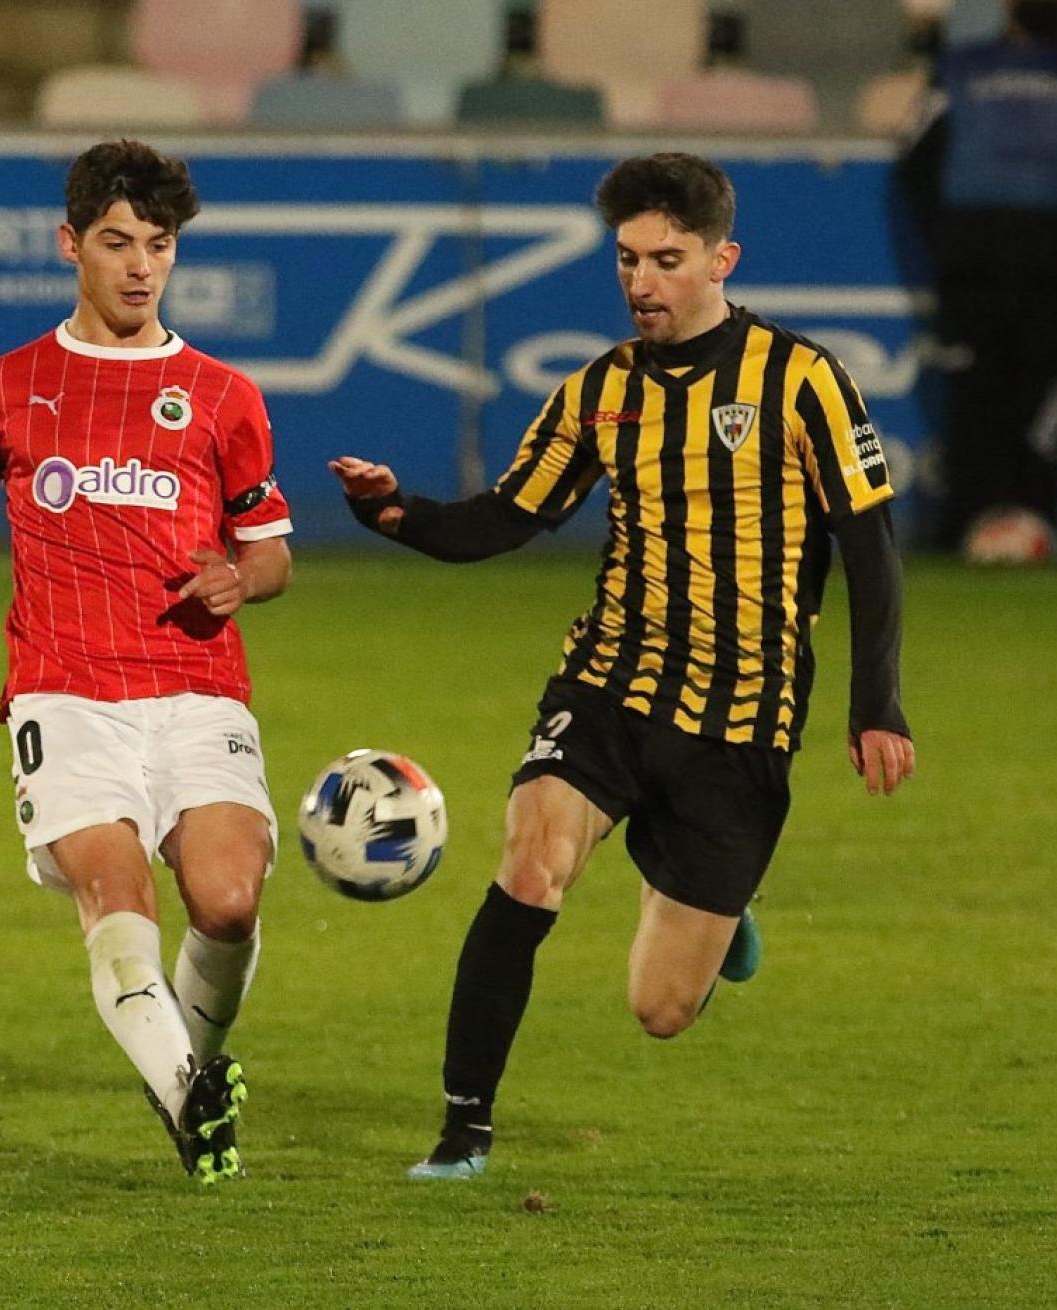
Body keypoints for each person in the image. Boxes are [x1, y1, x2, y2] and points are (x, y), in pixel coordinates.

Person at [331, 152, 915, 1179]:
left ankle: (711, 911)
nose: (643, 281)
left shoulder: (802, 381)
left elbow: (869, 544)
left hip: (741, 717)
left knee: (659, 1009)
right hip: (611, 679)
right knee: (530, 862)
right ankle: (464, 1124)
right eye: (628, 260)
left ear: (721, 259)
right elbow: (508, 515)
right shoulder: (600, 391)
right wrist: (393, 511)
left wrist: (878, 704)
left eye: (667, 260)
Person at [0, 140, 293, 1185]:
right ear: (70, 242)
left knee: (228, 901)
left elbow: (272, 551)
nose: (139, 266)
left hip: (199, 686)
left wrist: (239, 582)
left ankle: (189, 1071)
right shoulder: (8, 386)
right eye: (117, 242)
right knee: (116, 891)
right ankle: (187, 1097)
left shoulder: (220, 395)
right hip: (65, 691)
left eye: (158, 246)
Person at [897, 0, 1057, 562]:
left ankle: (964, 533)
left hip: (977, 267)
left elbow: (916, 165)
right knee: (1044, 400)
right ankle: (1030, 524)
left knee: (976, 402)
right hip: (1056, 269)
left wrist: (950, 240)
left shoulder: (961, 67)